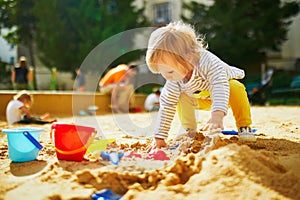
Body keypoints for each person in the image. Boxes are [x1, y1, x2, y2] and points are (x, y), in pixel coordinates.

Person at [145, 21, 256, 151]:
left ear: (187, 58)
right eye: (162, 73)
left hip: (223, 95)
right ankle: (190, 131)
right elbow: (167, 106)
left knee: (235, 86)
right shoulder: (174, 79)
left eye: (170, 72)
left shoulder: (208, 62)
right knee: (179, 95)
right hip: (199, 98)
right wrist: (159, 137)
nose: (167, 78)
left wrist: (217, 115)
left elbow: (220, 85)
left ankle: (244, 126)